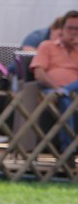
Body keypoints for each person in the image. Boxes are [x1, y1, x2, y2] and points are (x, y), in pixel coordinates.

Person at [30, 9, 78, 149]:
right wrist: (56, 88)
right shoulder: (47, 46)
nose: (74, 32)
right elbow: (39, 73)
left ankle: (65, 91)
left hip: (73, 92)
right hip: (50, 91)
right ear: (62, 29)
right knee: (63, 98)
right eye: (70, 28)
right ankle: (67, 151)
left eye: (77, 28)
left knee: (65, 95)